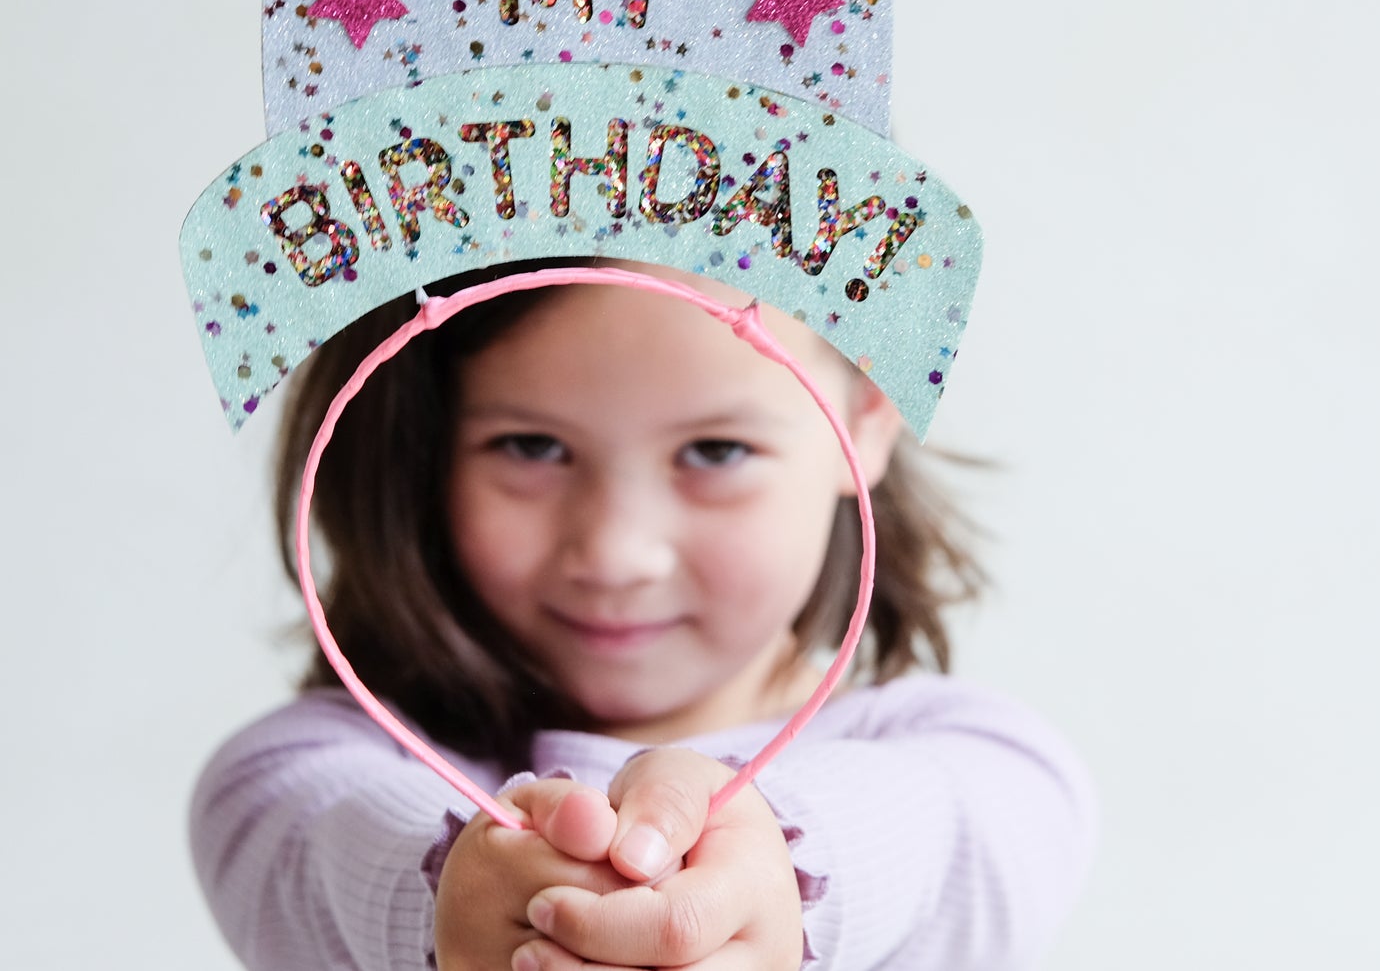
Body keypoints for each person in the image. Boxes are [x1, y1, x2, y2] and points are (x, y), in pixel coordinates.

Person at [191, 259, 1095, 971]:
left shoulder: (978, 765)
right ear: (422, 448)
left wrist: (777, 872)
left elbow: (952, 832)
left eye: (716, 450)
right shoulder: (300, 773)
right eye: (532, 446)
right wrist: (454, 892)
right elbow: (318, 836)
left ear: (863, 422)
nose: (617, 554)